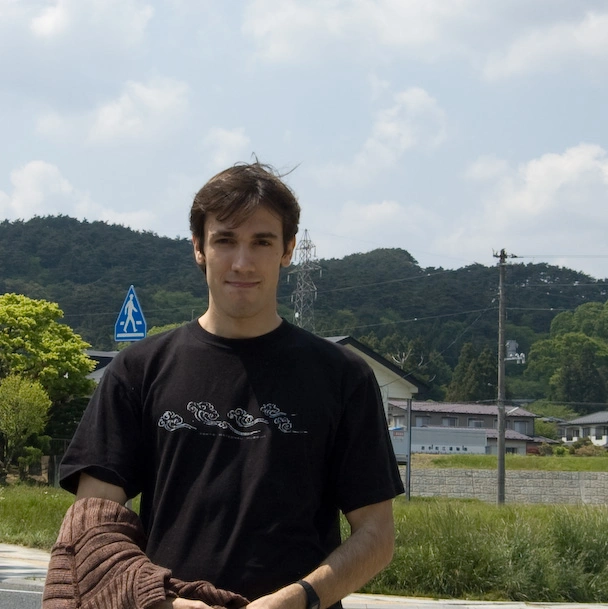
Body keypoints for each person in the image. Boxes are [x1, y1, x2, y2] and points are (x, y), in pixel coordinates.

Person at [56, 162, 404, 609]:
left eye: (262, 242)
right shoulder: (138, 369)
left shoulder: (342, 376)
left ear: (288, 249)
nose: (243, 262)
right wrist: (166, 603)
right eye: (225, 240)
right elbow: (92, 524)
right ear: (199, 248)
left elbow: (377, 534)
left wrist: (300, 599)